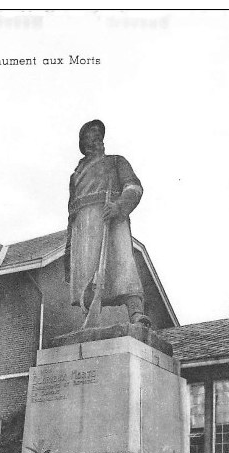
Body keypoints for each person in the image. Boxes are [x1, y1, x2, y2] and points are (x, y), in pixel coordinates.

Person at [65, 119, 151, 327]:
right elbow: (70, 214)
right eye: (90, 137)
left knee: (123, 267)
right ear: (84, 145)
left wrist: (119, 205)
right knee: (87, 279)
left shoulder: (116, 162)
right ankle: (89, 320)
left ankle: (135, 313)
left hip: (112, 221)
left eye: (98, 135)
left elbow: (134, 187)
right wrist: (69, 250)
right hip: (83, 230)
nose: (96, 140)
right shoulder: (75, 177)